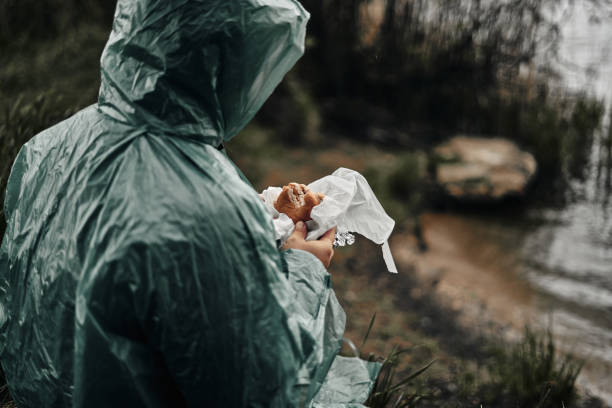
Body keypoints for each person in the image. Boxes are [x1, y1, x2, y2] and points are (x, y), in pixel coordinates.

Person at [0, 0, 379, 407]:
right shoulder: (209, 208)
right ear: (225, 64)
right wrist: (304, 267)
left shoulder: (45, 148)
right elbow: (263, 390)